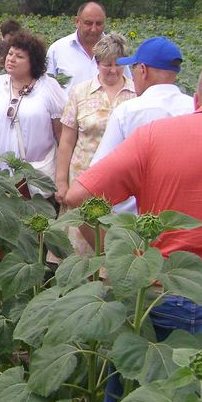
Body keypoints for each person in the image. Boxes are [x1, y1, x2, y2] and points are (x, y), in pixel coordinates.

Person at [66, 57, 202, 339]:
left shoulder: (152, 136)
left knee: (141, 378)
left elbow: (78, 196)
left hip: (160, 293)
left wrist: (115, 257)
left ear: (196, 101)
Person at [90, 36, 193, 214]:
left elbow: (99, 173)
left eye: (134, 67)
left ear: (143, 70)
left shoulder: (127, 112)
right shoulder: (195, 108)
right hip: (183, 218)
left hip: (133, 225)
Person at [53, 34, 135, 253]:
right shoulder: (80, 92)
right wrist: (61, 181)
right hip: (82, 177)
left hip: (121, 182)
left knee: (116, 246)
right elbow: (67, 141)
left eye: (119, 65)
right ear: (97, 63)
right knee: (81, 242)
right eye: (107, 64)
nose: (113, 70)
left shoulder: (136, 95)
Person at [0, 30, 66, 177]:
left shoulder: (48, 89)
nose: (11, 59)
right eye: (10, 54)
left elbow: (61, 134)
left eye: (19, 56)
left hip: (33, 177)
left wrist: (63, 177)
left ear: (33, 62)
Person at [46, 2, 107, 93]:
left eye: (98, 24)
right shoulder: (57, 50)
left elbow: (127, 86)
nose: (93, 29)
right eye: (88, 23)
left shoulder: (116, 50)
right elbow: (46, 89)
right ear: (77, 22)